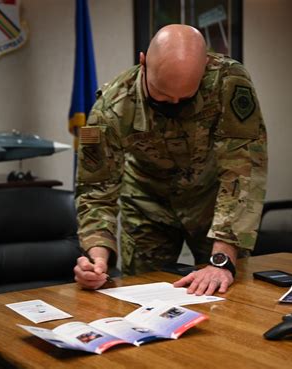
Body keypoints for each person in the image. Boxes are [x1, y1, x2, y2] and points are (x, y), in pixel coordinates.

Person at [74, 24, 267, 296]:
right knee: (140, 295)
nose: (174, 103)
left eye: (185, 97)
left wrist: (222, 259)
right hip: (146, 203)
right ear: (143, 62)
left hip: (213, 203)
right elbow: (96, 190)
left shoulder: (227, 81)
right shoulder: (111, 108)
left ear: (204, 68)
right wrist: (97, 258)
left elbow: (244, 168)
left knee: (227, 294)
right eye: (163, 95)